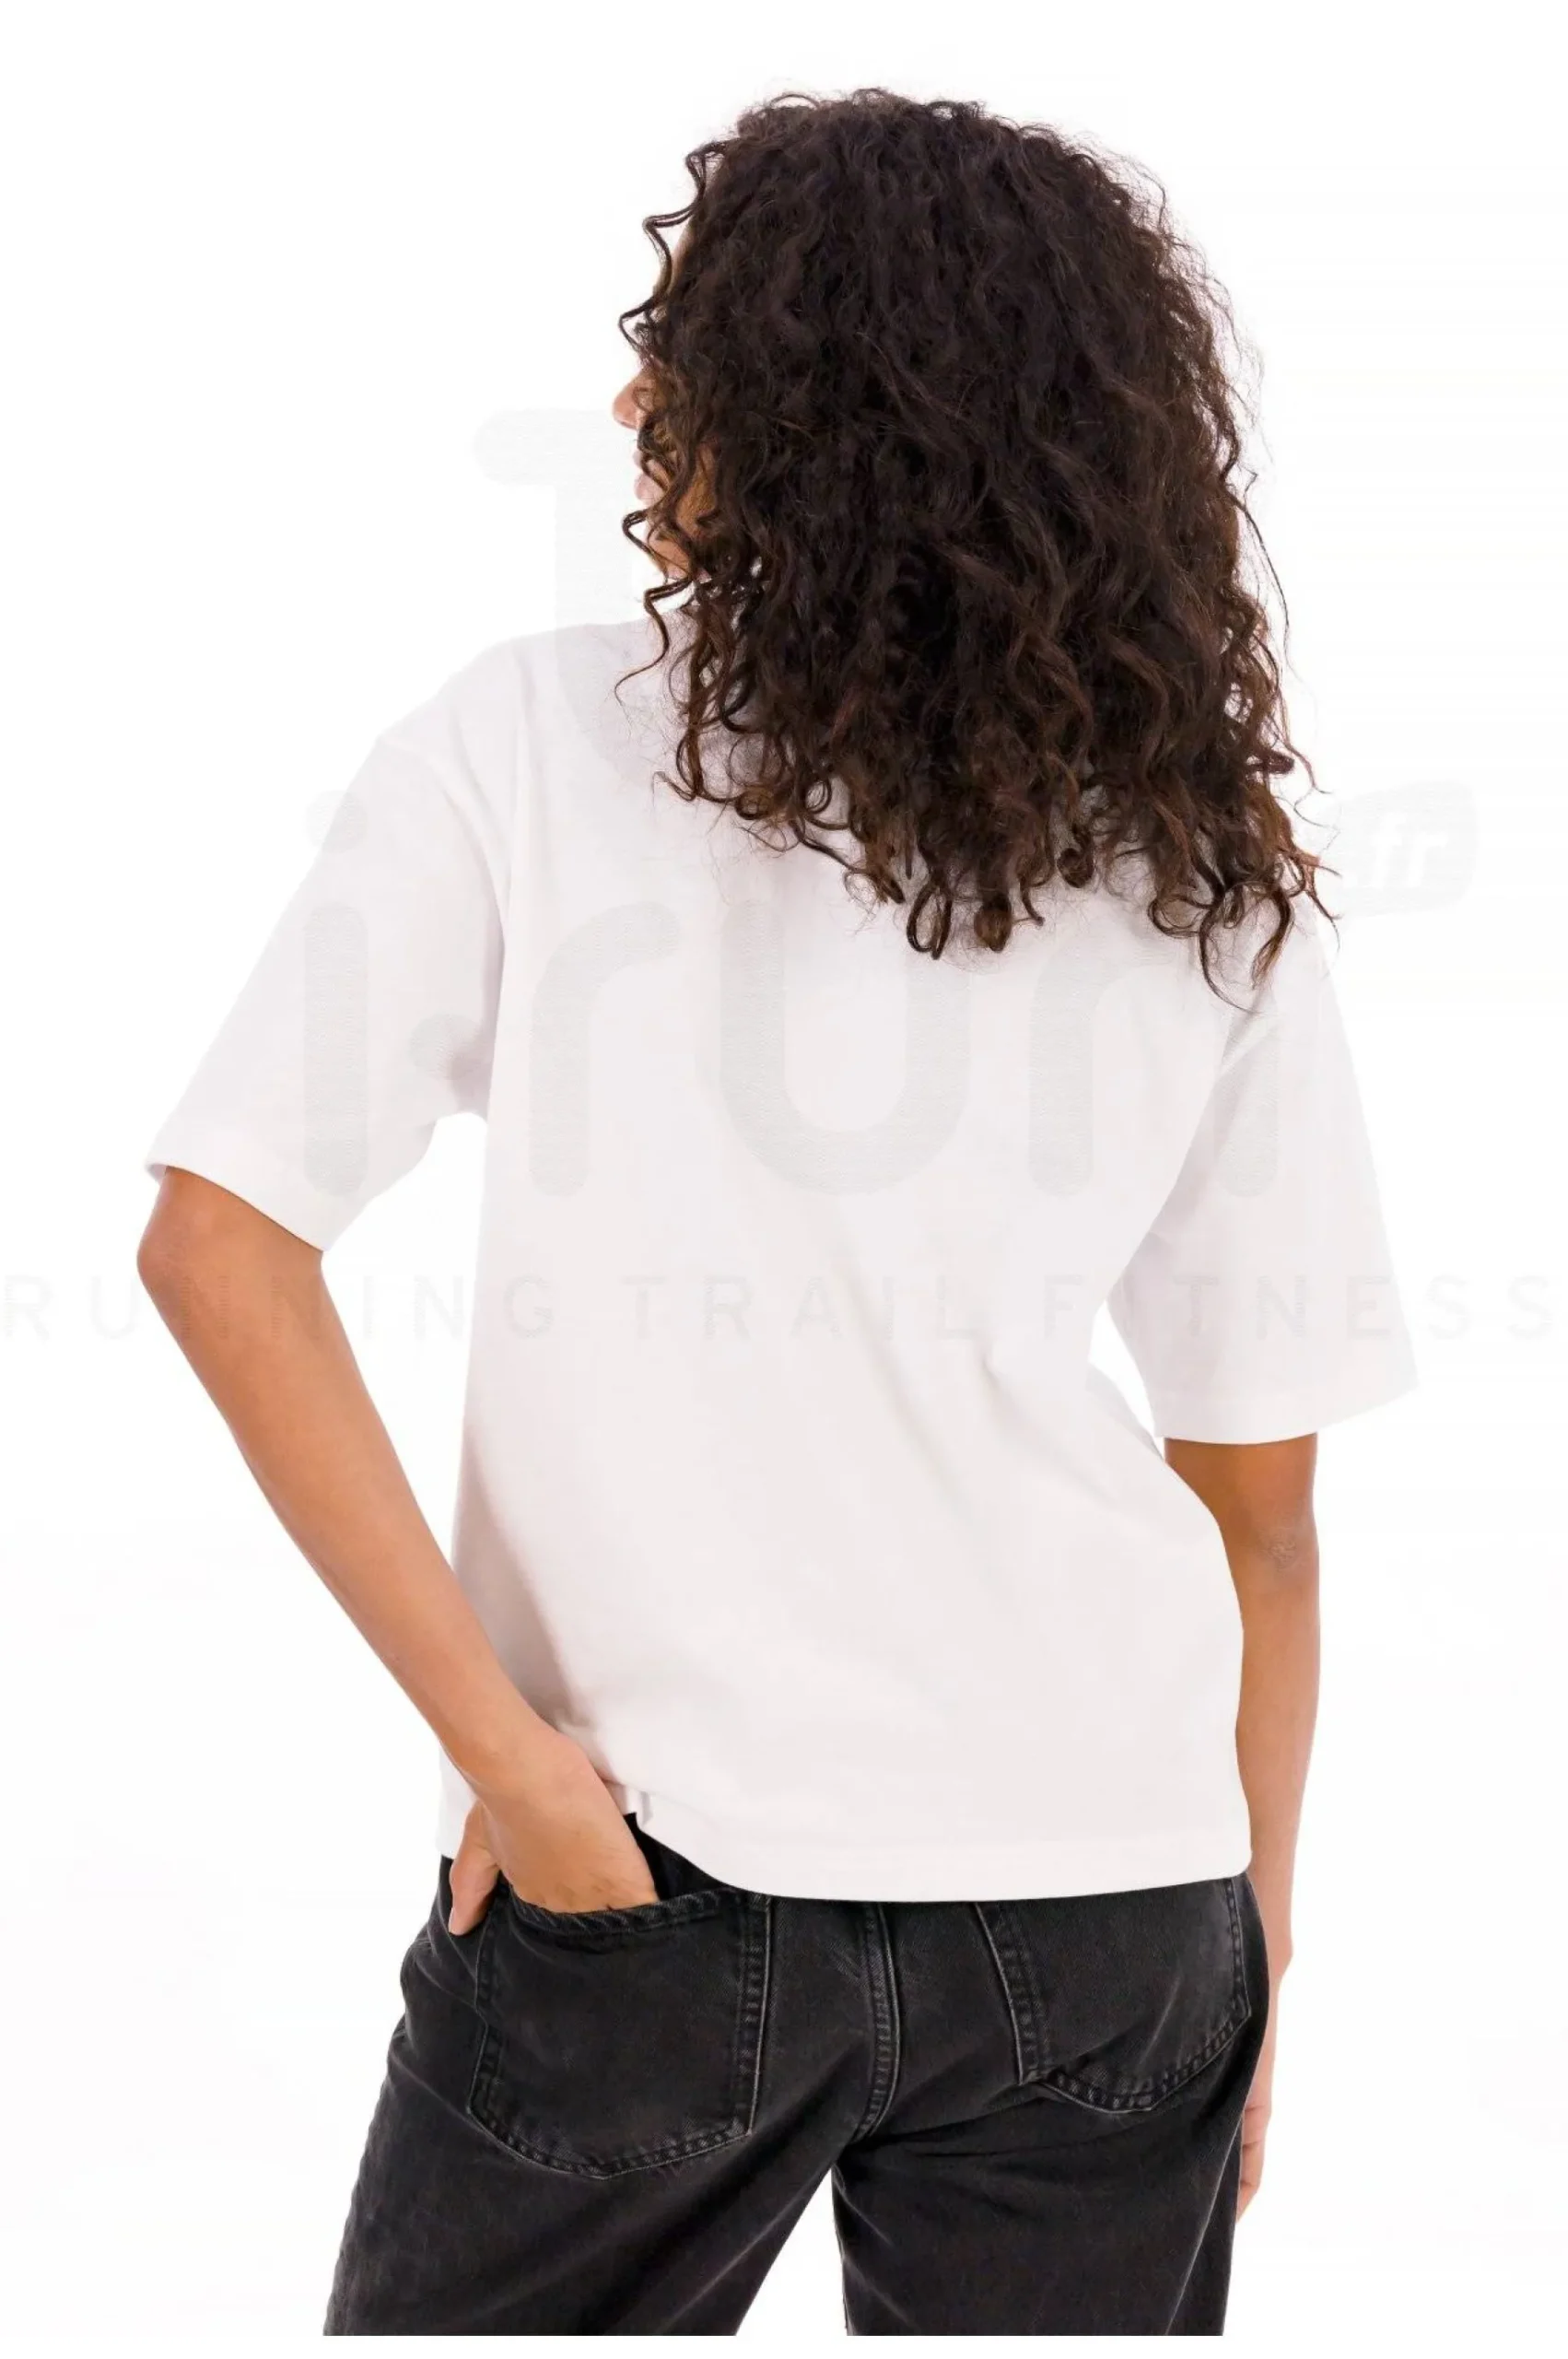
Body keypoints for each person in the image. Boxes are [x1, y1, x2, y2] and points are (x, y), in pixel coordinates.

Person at [137, 88, 1416, 2337]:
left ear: (821, 405)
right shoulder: (1193, 861)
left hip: (655, 1886)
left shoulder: (531, 746)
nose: (634, 401)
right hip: (1112, 1901)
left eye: (685, 347)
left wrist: (519, 1767)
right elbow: (1266, 1515)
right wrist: (1253, 1936)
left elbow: (218, 1241)